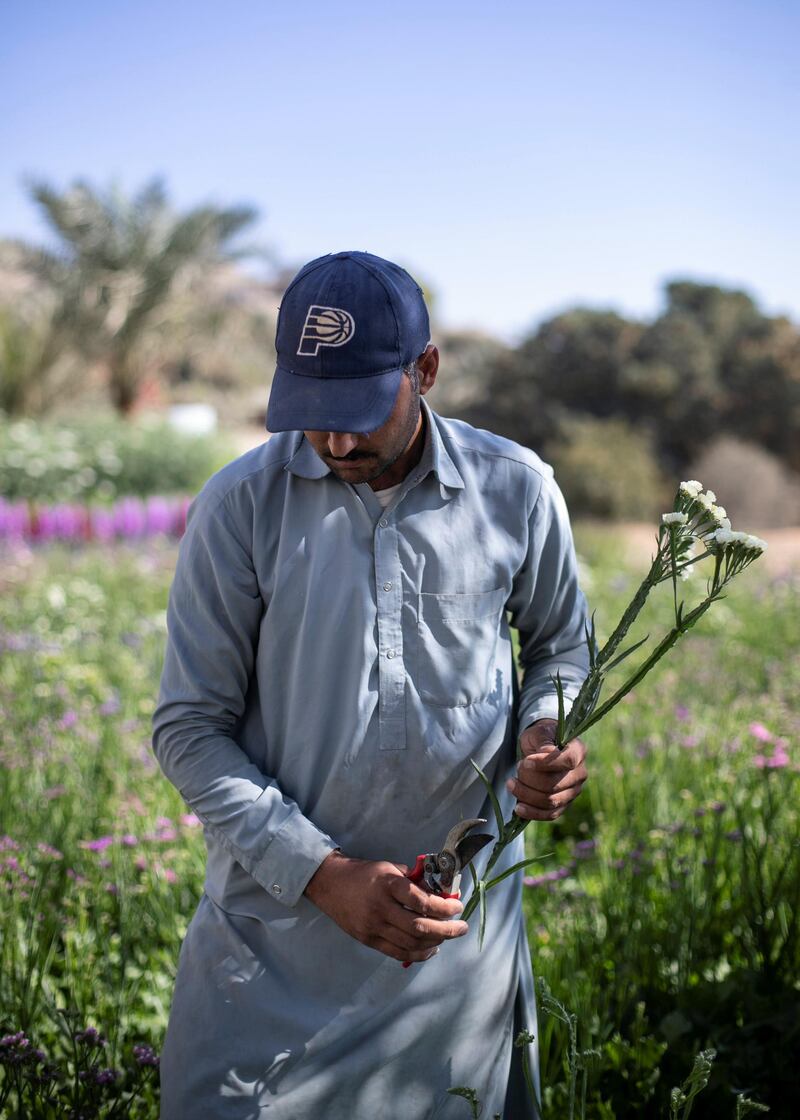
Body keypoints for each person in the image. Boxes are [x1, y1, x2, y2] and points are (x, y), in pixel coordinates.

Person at [152, 250, 590, 1119]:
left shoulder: (517, 492)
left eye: (357, 411)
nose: (338, 442)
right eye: (313, 415)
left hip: (451, 951)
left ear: (425, 371)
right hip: (269, 952)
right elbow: (189, 728)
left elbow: (562, 649)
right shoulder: (240, 506)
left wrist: (547, 732)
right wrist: (323, 873)